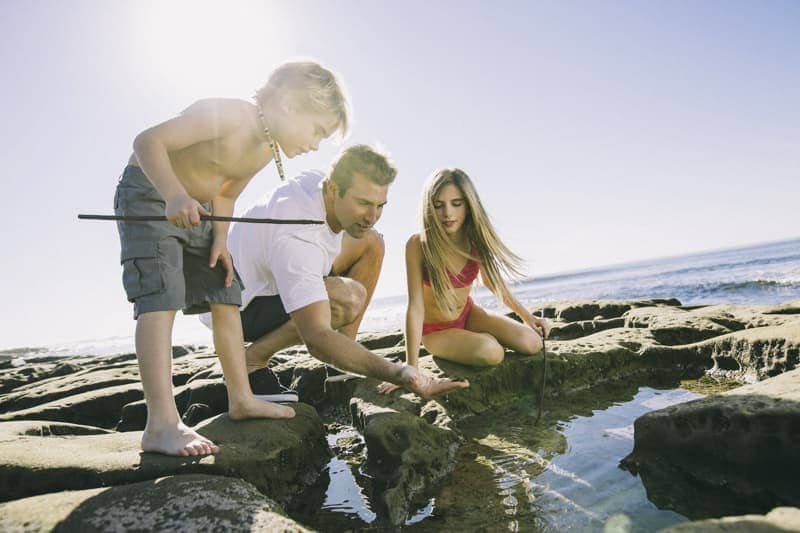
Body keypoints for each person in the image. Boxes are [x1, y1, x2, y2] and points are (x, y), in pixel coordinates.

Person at [114, 60, 348, 457]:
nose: (315, 144)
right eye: (317, 131)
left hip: (200, 211)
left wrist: (220, 239)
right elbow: (147, 142)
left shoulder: (263, 149)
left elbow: (225, 194)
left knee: (226, 292)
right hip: (150, 196)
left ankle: (241, 397)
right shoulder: (229, 115)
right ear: (290, 105)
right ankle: (161, 423)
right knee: (161, 296)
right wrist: (173, 194)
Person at [216, 145, 470, 399]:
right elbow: (316, 337)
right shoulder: (297, 239)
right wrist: (399, 372)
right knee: (347, 298)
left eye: (380, 205)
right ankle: (252, 361)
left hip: (268, 272)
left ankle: (343, 353)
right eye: (363, 203)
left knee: (371, 242)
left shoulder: (320, 183)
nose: (372, 216)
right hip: (240, 305)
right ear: (334, 189)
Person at [379, 168, 551, 394]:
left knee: (533, 343)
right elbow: (415, 307)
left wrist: (527, 316)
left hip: (469, 315)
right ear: (429, 207)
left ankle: (477, 339)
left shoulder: (475, 240)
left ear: (469, 204)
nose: (447, 213)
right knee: (493, 353)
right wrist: (412, 368)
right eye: (439, 205)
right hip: (435, 332)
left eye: (456, 203)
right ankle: (479, 341)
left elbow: (492, 282)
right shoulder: (418, 246)